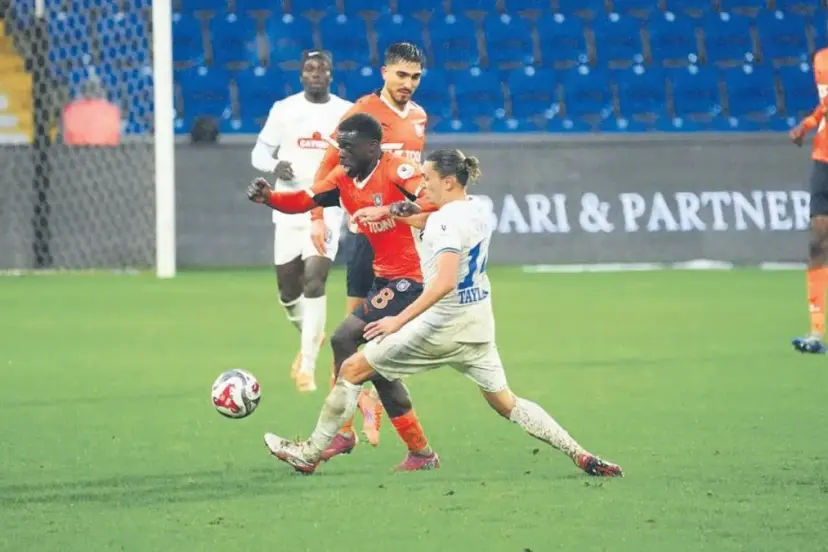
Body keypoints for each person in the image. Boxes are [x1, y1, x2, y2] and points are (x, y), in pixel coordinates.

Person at [260, 148, 624, 478]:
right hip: (478, 326)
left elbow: (444, 282)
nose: (422, 185)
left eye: (428, 178)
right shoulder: (476, 208)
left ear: (448, 182)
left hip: (442, 327)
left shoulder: (447, 222)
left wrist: (397, 320)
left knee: (352, 368)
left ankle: (310, 453)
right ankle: (580, 454)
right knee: (506, 402)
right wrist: (388, 213)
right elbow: (430, 223)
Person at [248, 113, 440, 472]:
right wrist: (269, 197)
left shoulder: (398, 171)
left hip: (414, 280)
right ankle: (421, 453)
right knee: (378, 369)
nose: (341, 154)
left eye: (349, 147)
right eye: (340, 147)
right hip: (385, 280)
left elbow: (433, 201)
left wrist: (394, 209)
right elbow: (305, 200)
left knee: (343, 338)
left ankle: (343, 432)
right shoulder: (341, 179)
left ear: (372, 147)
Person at [309, 41, 429, 447]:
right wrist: (316, 217)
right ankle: (343, 427)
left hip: (408, 247)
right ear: (384, 72)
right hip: (367, 240)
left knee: (378, 341)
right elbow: (327, 168)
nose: (408, 83)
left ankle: (371, 414)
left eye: (415, 77)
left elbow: (416, 184)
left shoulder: (418, 117)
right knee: (349, 335)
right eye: (401, 75)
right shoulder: (362, 112)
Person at [251, 50, 353, 390]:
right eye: (310, 69)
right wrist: (274, 165)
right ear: (301, 75)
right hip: (288, 206)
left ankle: (307, 366)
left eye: (322, 68)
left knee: (314, 280)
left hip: (327, 207)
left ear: (331, 74)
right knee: (288, 291)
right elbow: (259, 153)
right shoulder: (284, 109)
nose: (316, 73)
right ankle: (312, 334)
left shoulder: (345, 112)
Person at [790, 47, 828, 354]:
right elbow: (824, 106)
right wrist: (807, 123)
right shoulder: (821, 59)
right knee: (817, 243)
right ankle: (816, 331)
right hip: (823, 159)